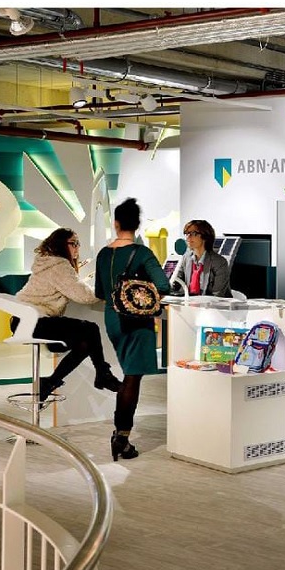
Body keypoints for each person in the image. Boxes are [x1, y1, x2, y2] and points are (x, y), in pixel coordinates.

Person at [94, 198, 171, 461]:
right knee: (132, 377)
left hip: (112, 319)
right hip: (137, 321)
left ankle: (121, 435)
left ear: (116, 224)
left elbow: (100, 292)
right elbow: (163, 285)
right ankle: (122, 437)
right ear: (137, 225)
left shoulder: (103, 254)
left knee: (129, 374)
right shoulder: (142, 253)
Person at [14, 228, 122, 403]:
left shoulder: (48, 262)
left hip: (24, 320)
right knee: (90, 329)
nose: (77, 247)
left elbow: (73, 289)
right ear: (61, 245)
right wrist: (106, 290)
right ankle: (102, 374)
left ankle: (51, 382)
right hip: (33, 321)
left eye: (78, 243)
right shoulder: (59, 266)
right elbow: (84, 296)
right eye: (73, 243)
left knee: (85, 342)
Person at [171, 219, 232, 297]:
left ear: (205, 237)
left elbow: (217, 296)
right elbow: (175, 283)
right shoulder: (186, 258)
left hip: (214, 304)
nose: (188, 237)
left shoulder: (220, 262)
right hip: (190, 302)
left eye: (193, 233)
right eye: (187, 234)